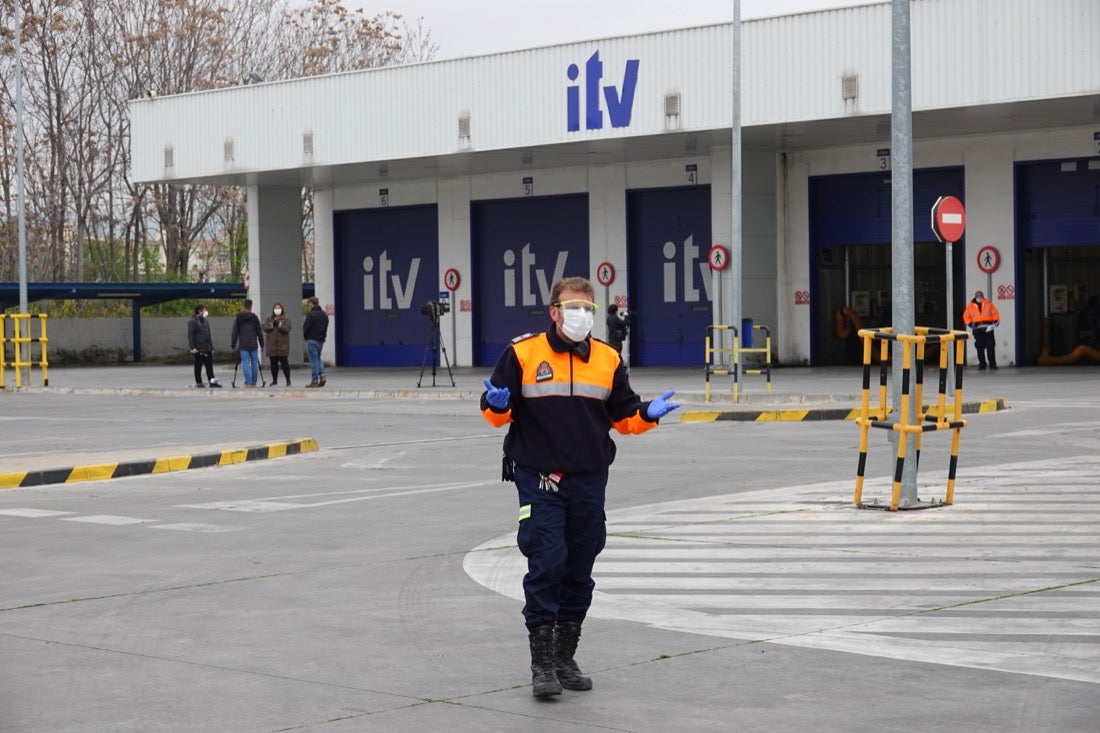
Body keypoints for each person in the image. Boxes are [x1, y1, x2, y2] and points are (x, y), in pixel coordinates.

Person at [480, 276, 680, 698]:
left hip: (590, 478)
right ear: (554, 311)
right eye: (573, 308)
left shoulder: (607, 359)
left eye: (588, 309)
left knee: (580, 567)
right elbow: (498, 408)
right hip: (539, 476)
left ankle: (565, 656)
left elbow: (624, 417)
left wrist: (648, 413)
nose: (582, 316)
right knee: (547, 561)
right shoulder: (523, 353)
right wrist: (497, 407)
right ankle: (541, 664)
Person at [962, 290, 1000, 370]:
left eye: (980, 296)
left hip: (988, 329)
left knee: (991, 347)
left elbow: (995, 313)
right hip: (977, 330)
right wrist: (970, 324)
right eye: (978, 296)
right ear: (975, 297)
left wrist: (996, 321)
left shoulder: (988, 304)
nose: (979, 297)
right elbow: (966, 316)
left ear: (983, 296)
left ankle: (992, 364)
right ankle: (982, 364)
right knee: (980, 348)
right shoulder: (970, 306)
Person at [230, 298, 264, 387]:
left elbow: (234, 333)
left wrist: (232, 345)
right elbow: (259, 332)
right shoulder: (254, 318)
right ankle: (254, 382)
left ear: (244, 306)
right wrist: (262, 344)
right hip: (253, 344)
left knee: (245, 363)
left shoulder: (239, 318)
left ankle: (248, 382)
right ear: (251, 306)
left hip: (243, 345)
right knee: (254, 363)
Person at [186, 304, 221, 388]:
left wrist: (211, 347)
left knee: (209, 366)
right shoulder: (192, 321)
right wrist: (192, 347)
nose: (206, 312)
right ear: (199, 311)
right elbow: (190, 335)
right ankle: (199, 383)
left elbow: (209, 335)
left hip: (207, 348)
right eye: (204, 310)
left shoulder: (205, 321)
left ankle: (212, 382)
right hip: (198, 349)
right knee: (198, 366)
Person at [262, 302, 292, 386]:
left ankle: (288, 380)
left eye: (279, 308)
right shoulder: (269, 318)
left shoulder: (285, 319)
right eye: (276, 308)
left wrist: (279, 325)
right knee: (273, 364)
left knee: (284, 364)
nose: (277, 309)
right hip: (272, 346)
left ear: (281, 309)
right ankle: (274, 380)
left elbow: (288, 328)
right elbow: (264, 327)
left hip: (282, 346)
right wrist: (271, 325)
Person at [303, 296, 329, 387]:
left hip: (312, 339)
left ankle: (314, 380)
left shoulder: (311, 314)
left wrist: (306, 336)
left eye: (309, 304)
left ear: (311, 303)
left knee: (314, 360)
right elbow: (325, 327)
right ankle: (322, 375)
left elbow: (306, 327)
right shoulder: (324, 315)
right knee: (317, 357)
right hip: (321, 340)